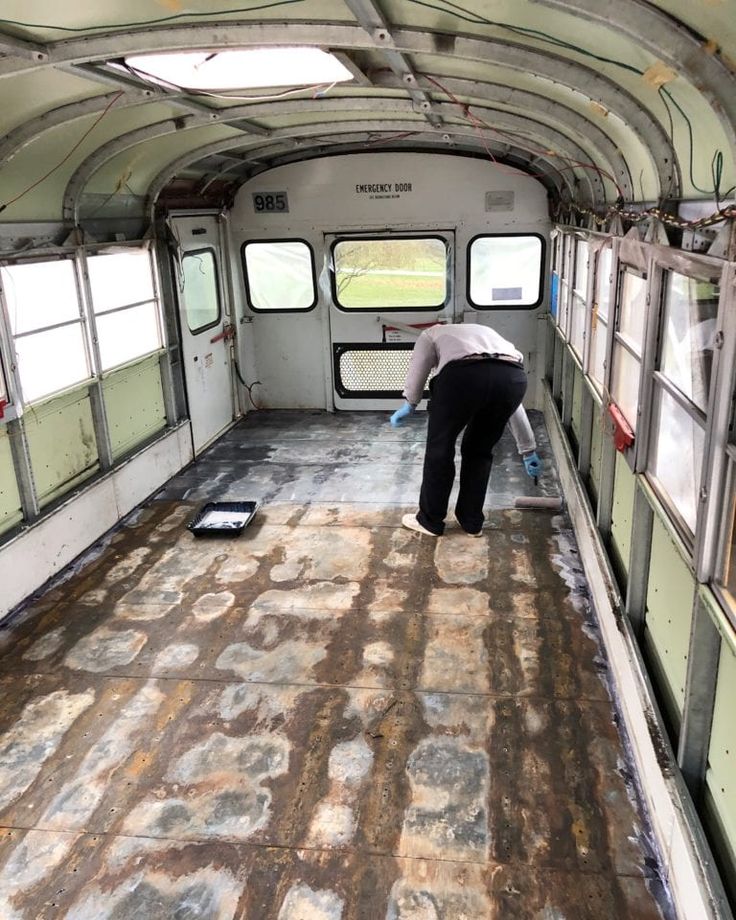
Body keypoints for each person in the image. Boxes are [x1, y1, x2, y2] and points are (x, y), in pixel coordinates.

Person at [390, 322, 542, 536]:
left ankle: (430, 521)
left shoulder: (431, 333)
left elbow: (420, 364)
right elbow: (512, 404)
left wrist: (410, 403)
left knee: (440, 448)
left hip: (461, 379)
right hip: (512, 378)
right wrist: (528, 450)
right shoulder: (489, 333)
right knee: (479, 451)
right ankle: (472, 523)